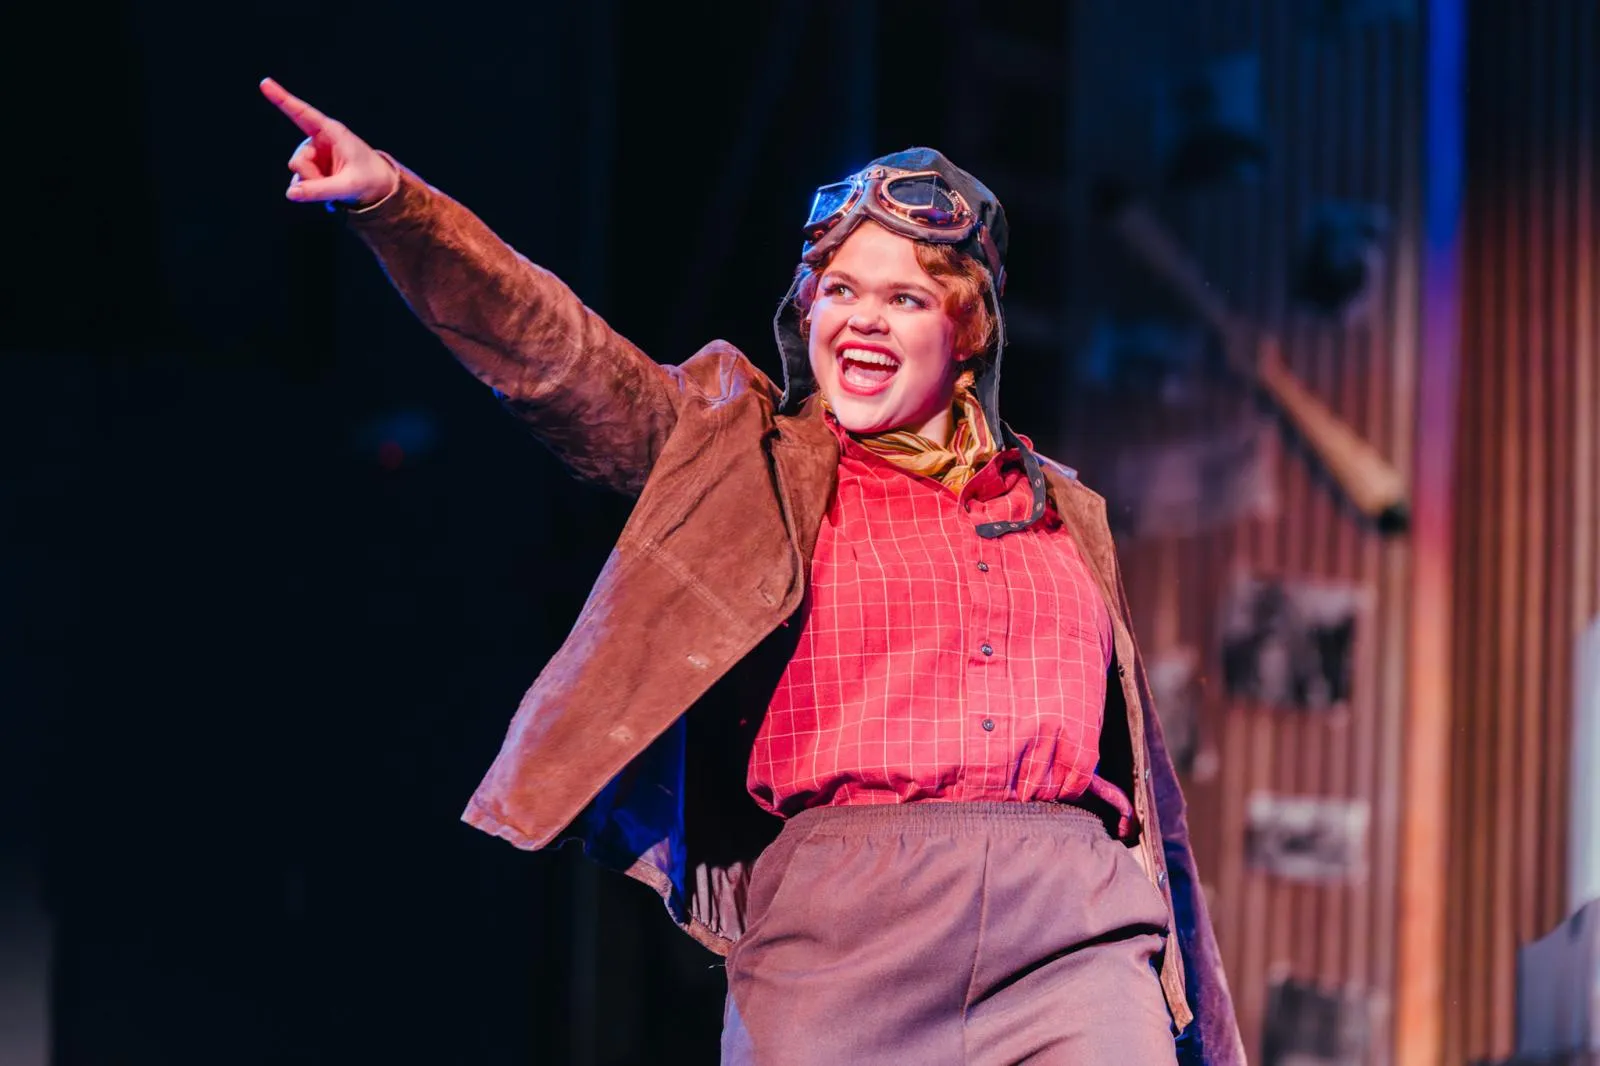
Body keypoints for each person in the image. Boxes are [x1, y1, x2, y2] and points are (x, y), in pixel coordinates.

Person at [261, 75, 1245, 1065]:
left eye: (904, 298)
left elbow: (1147, 789)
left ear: (967, 333)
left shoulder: (1063, 508)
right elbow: (565, 364)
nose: (862, 319)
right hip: (844, 939)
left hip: (1072, 937)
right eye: (839, 291)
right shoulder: (754, 464)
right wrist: (397, 207)